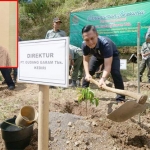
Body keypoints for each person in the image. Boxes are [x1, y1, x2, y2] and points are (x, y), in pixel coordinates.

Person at [81, 25, 125, 104]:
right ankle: (83, 94)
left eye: (92, 38)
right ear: (84, 39)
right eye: (87, 40)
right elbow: (85, 60)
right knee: (89, 71)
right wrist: (87, 74)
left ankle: (120, 98)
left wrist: (103, 79)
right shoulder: (84, 45)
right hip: (97, 56)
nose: (90, 42)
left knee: (115, 73)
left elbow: (107, 65)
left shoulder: (105, 44)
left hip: (112, 55)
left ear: (97, 35)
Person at [45, 17, 66, 88]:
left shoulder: (63, 33)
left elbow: (65, 44)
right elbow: (45, 43)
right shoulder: (49, 32)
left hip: (60, 54)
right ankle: (52, 83)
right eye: (56, 23)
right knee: (51, 68)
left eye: (59, 23)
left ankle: (61, 84)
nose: (58, 24)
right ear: (53, 24)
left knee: (60, 69)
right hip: (51, 54)